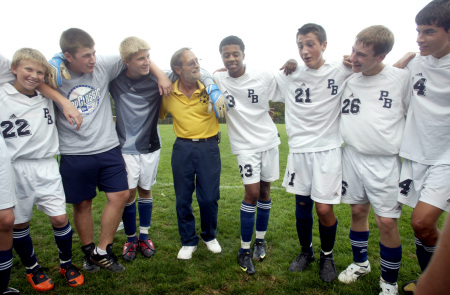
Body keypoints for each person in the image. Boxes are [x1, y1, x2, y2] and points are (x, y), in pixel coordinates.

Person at [53, 28, 172, 273]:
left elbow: (140, 56)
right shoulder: (54, 74)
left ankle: (103, 250)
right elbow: (29, 74)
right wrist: (62, 98)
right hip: (74, 152)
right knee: (83, 204)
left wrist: (161, 76)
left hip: (108, 147)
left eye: (94, 53)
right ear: (67, 56)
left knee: (120, 196)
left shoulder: (103, 66)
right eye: (86, 55)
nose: (93, 59)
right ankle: (89, 253)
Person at [0, 48, 85, 292]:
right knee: (19, 223)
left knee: (59, 218)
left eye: (39, 72)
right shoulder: (2, 93)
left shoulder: (47, 95)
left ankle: (66, 263)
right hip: (15, 167)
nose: (34, 75)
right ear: (13, 68)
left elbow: (54, 74)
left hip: (47, 163)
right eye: (28, 69)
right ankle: (32, 268)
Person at [274, 23, 353, 282]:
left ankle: (326, 256)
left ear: (324, 45)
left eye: (310, 44)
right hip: (299, 151)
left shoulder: (342, 71)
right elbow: (257, 79)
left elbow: (379, 70)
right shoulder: (290, 75)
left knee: (323, 209)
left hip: (328, 151)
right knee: (302, 205)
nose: (304, 51)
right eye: (300, 45)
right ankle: (306, 252)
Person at [336, 25, 410, 295]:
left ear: (381, 57)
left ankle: (389, 282)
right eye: (354, 50)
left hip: (384, 162)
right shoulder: (349, 78)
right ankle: (360, 264)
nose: (353, 58)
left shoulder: (401, 79)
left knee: (387, 222)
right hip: (352, 155)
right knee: (357, 212)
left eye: (362, 55)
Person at [213, 36, 280, 275]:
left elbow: (287, 82)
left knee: (264, 191)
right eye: (226, 54)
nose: (231, 58)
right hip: (244, 146)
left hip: (269, 141)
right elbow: (199, 74)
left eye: (235, 54)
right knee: (251, 193)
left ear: (243, 54)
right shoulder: (217, 78)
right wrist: (213, 83)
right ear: (221, 56)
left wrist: (292, 62)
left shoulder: (262, 76)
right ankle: (243, 249)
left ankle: (260, 241)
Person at [395, 0, 450, 293]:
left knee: (421, 222)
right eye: (418, 31)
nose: (419, 39)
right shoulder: (414, 64)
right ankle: (428, 281)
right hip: (416, 154)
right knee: (422, 227)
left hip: (447, 158)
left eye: (428, 31)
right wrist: (397, 66)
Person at [160, 48, 222, 260]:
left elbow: (231, 77)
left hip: (209, 147)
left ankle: (209, 236)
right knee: (183, 198)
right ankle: (188, 240)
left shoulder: (210, 86)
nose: (197, 65)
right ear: (177, 69)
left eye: (197, 61)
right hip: (183, 149)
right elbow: (153, 113)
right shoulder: (168, 92)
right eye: (191, 63)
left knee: (209, 198)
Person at [109, 37, 160, 262]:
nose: (146, 62)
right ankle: (130, 238)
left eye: (148, 57)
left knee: (145, 190)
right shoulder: (115, 80)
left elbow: (186, 69)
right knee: (129, 193)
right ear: (126, 61)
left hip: (151, 146)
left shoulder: (157, 78)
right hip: (124, 148)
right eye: (141, 58)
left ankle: (144, 236)